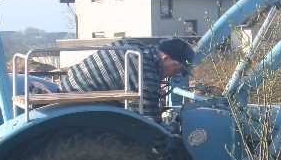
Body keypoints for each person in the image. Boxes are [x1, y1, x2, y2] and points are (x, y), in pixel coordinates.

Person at [58, 37, 194, 120]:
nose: (175, 76)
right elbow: (149, 124)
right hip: (78, 100)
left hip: (70, 86)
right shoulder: (146, 73)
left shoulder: (134, 45)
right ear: (166, 59)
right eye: (178, 69)